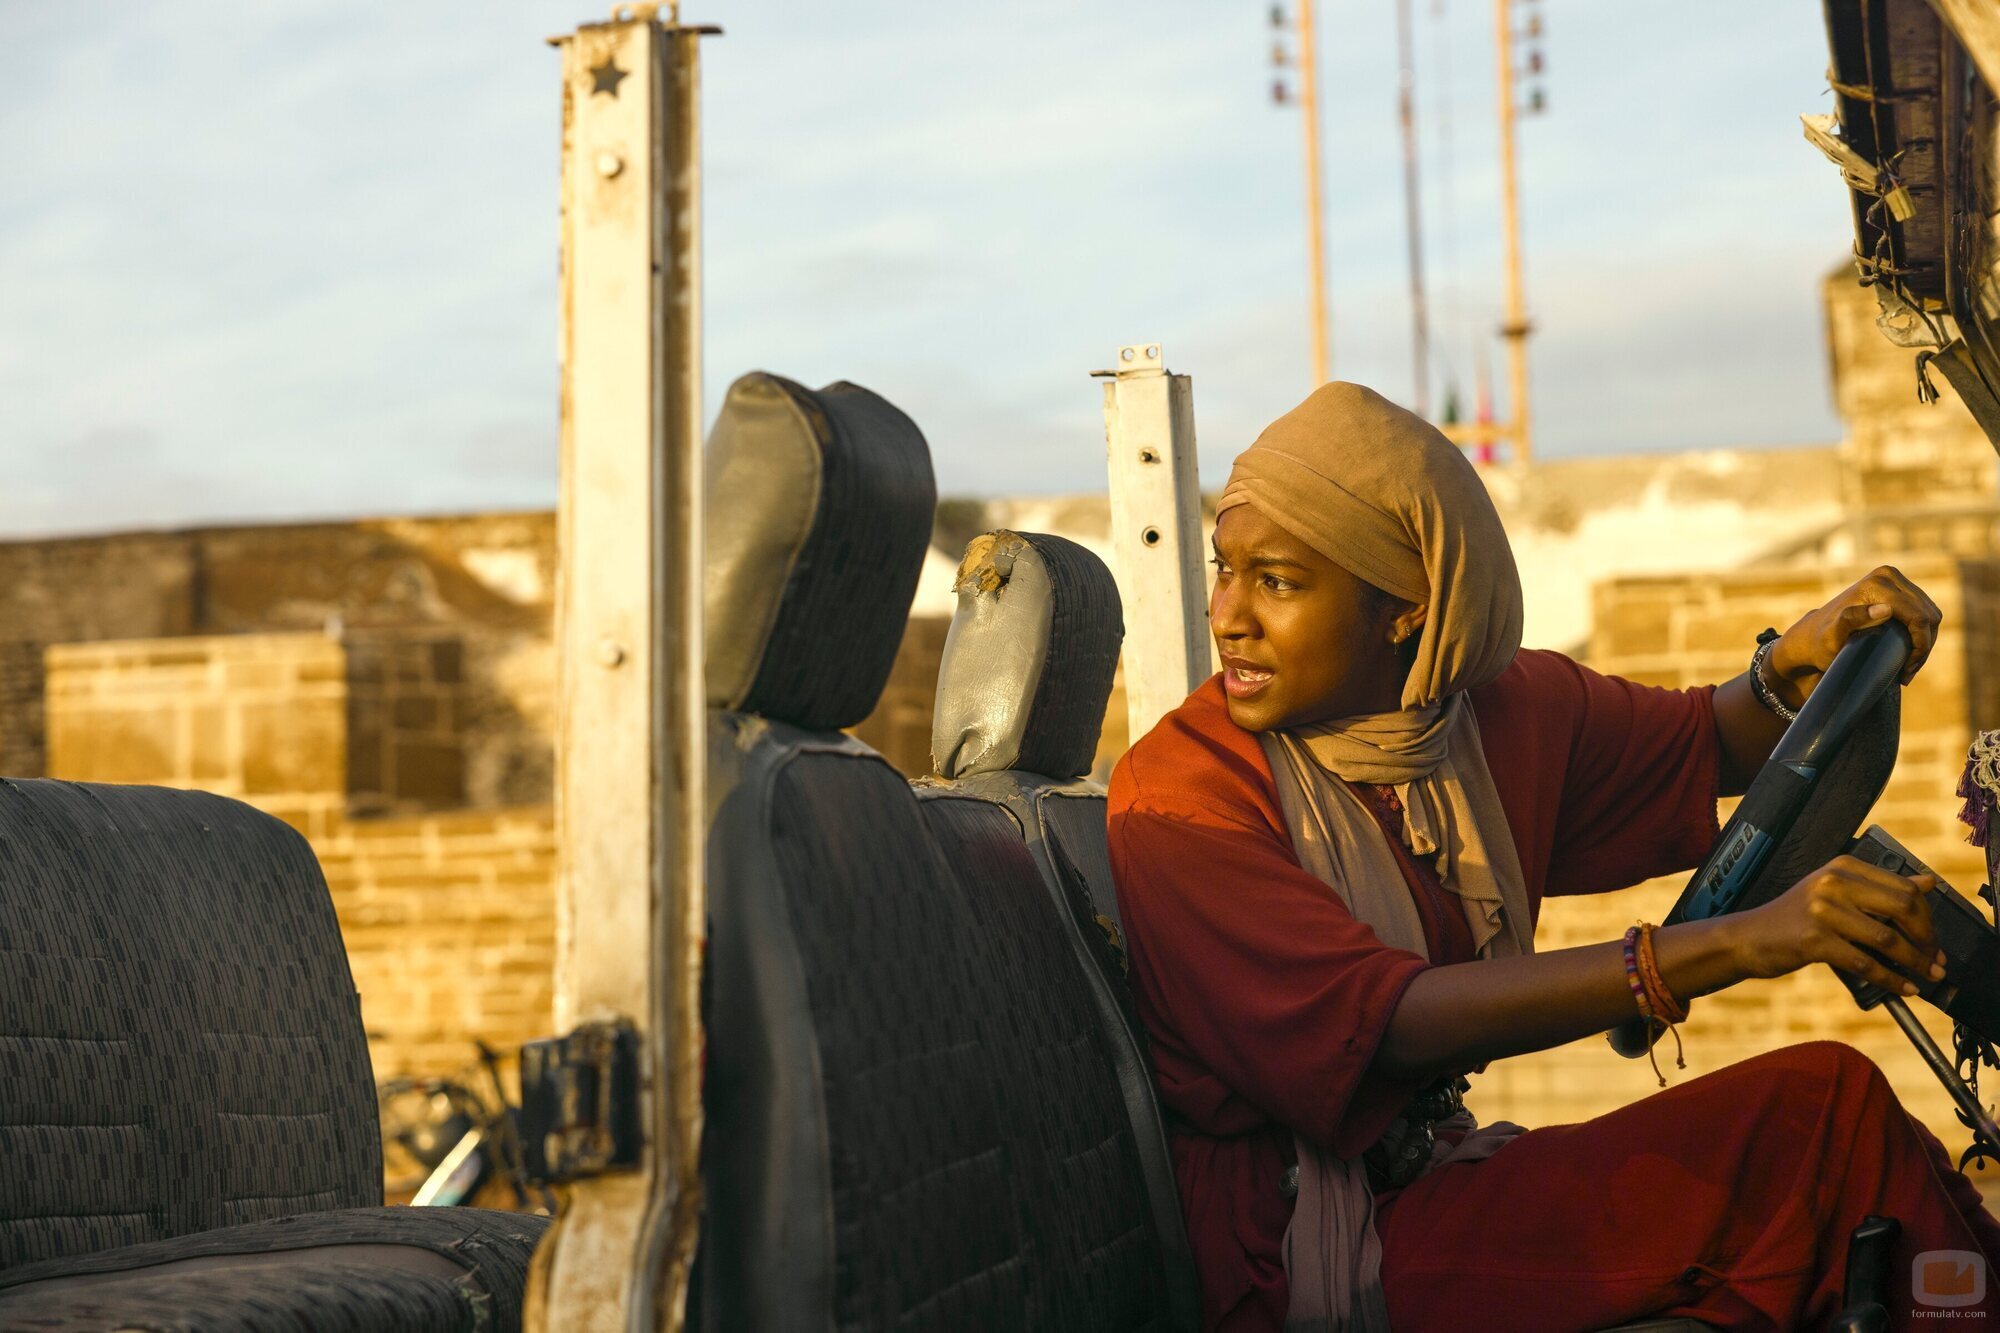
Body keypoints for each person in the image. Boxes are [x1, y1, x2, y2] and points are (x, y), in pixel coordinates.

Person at [1105, 382, 2000, 1332]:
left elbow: (1706, 742)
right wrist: (1734, 944)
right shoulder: (1181, 795)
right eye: (1225, 569)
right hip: (1313, 1244)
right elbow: (1390, 1024)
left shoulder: (1487, 718)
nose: (1229, 615)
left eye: (1277, 581)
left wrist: (1789, 664)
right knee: (1825, 1119)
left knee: (1866, 1161)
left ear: (1405, 609)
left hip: (1443, 1180)